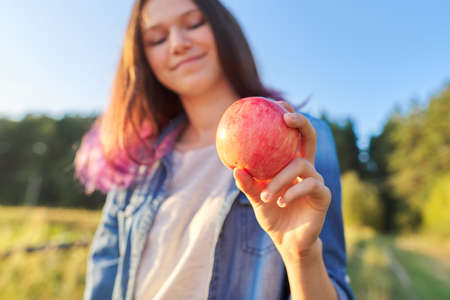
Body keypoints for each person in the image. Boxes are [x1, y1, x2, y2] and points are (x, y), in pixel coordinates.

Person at [75, 0, 355, 299]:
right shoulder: (137, 157)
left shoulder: (301, 138)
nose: (178, 44)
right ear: (144, 60)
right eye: (157, 39)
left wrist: (302, 256)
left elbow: (333, 282)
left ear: (223, 30)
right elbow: (103, 284)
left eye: (194, 24)